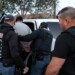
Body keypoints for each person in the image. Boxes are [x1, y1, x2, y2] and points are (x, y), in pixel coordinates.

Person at [45, 6, 75, 75]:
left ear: (66, 21)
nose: (59, 23)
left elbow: (53, 69)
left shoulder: (65, 37)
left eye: (59, 20)